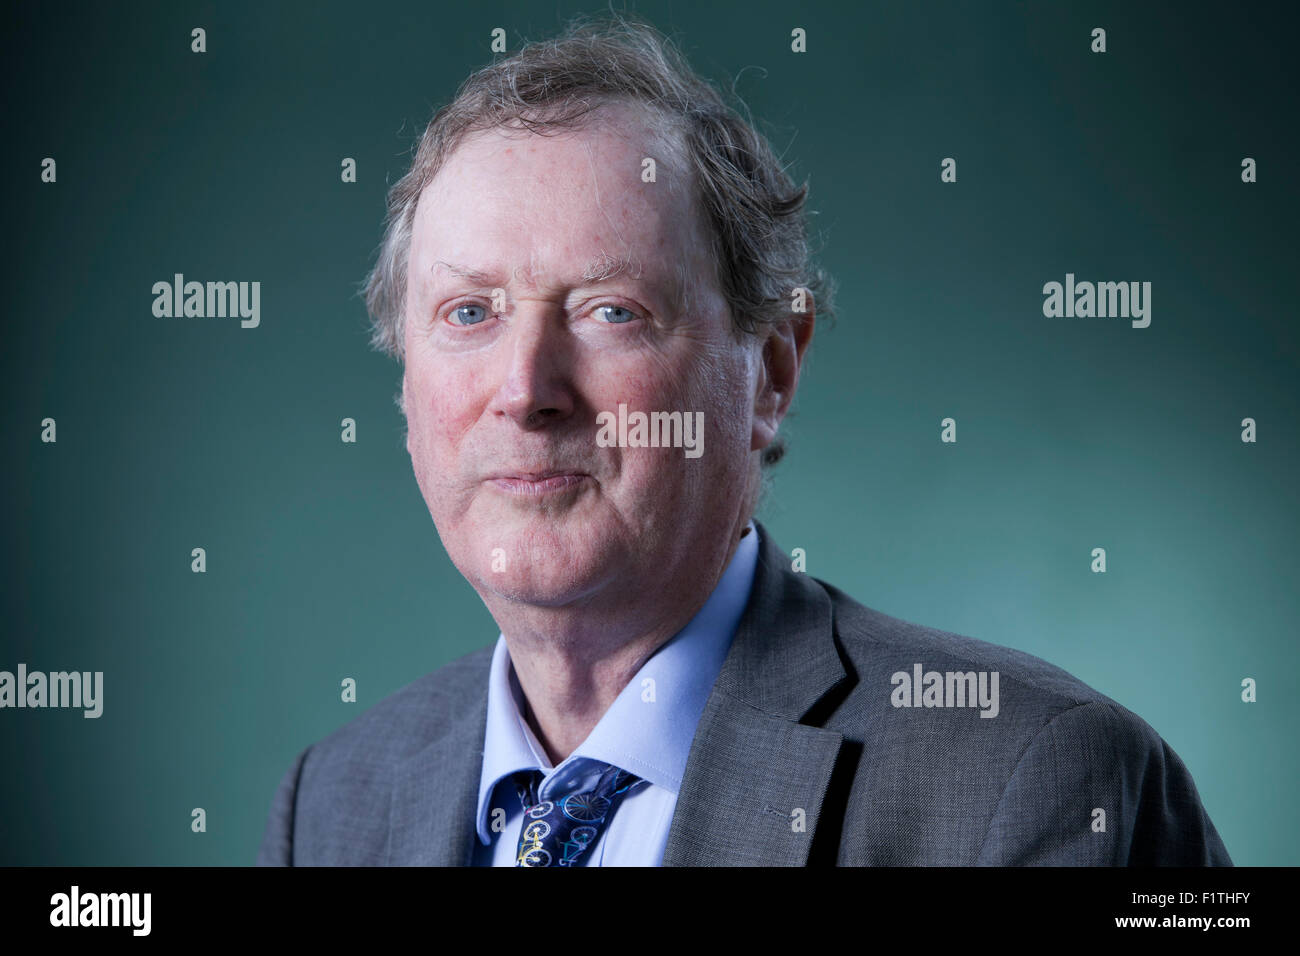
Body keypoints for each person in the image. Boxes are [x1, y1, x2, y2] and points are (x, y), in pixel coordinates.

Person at [256, 13, 1230, 866]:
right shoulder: (333, 803)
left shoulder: (1041, 780)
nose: (524, 391)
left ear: (768, 372)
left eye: (609, 309)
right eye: (470, 312)